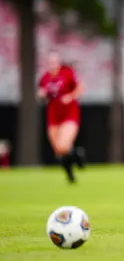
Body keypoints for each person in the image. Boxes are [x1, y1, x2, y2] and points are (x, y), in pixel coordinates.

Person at [38, 51, 85, 184]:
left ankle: (76, 156)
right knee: (58, 150)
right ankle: (72, 165)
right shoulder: (45, 78)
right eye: (50, 62)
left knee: (63, 146)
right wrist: (41, 94)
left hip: (69, 112)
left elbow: (80, 88)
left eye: (54, 62)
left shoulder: (67, 73)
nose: (52, 65)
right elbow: (42, 92)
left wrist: (69, 97)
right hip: (53, 114)